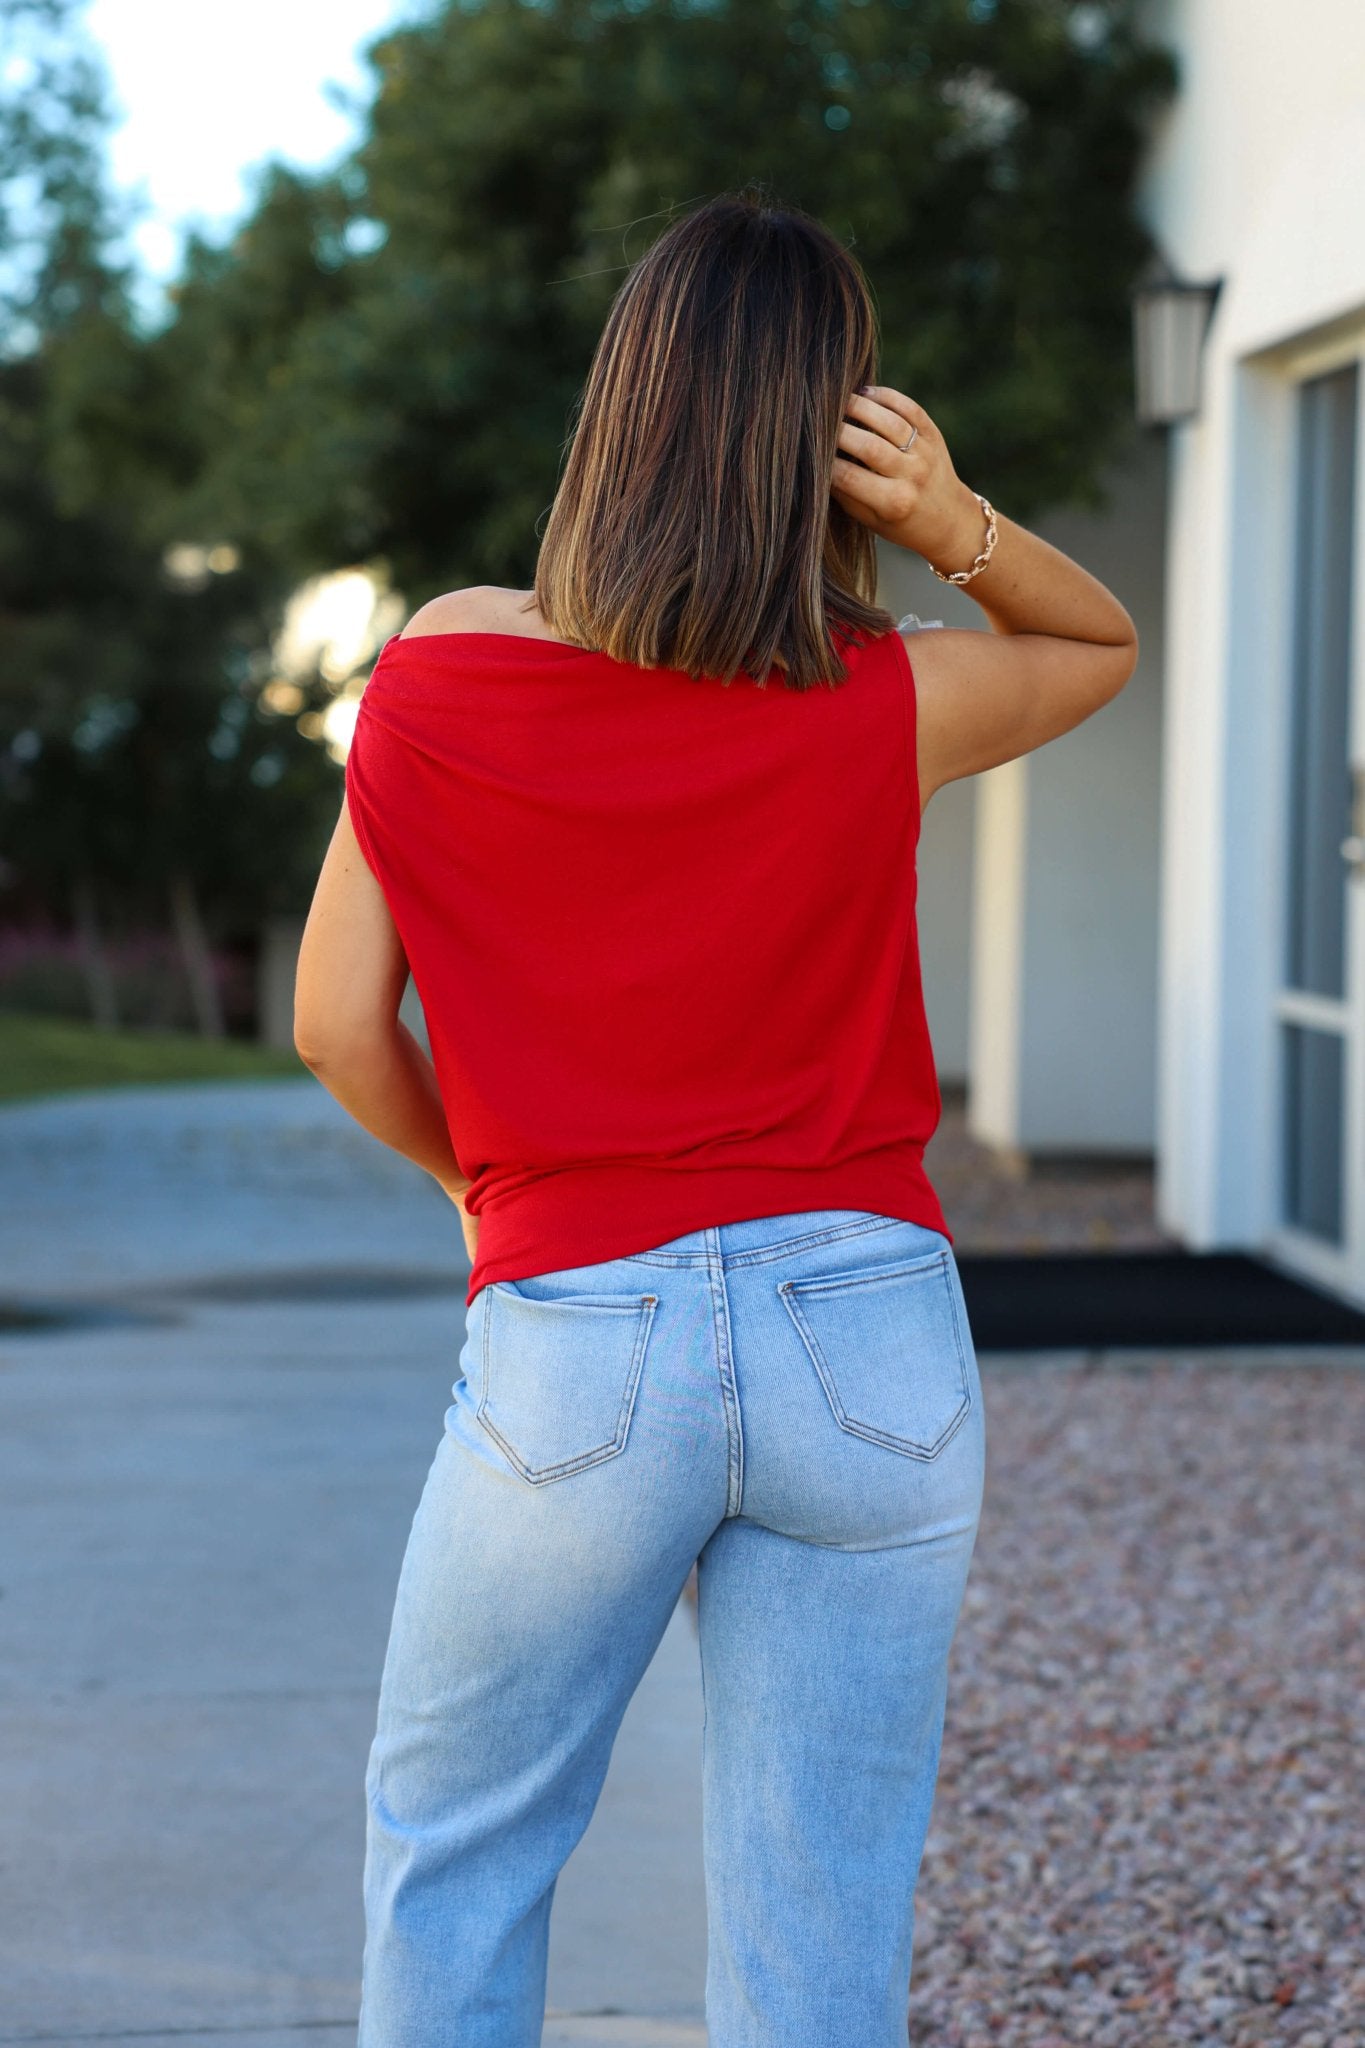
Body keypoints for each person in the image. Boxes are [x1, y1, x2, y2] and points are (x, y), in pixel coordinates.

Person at [294, 189, 1138, 2048]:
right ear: (826, 442)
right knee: (817, 1928)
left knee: (457, 1856)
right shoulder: (878, 698)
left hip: (578, 1332)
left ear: (622, 404)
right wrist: (955, 524)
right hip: (871, 1339)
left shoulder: (438, 672)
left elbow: (335, 1021)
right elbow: (1093, 648)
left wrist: (476, 1182)